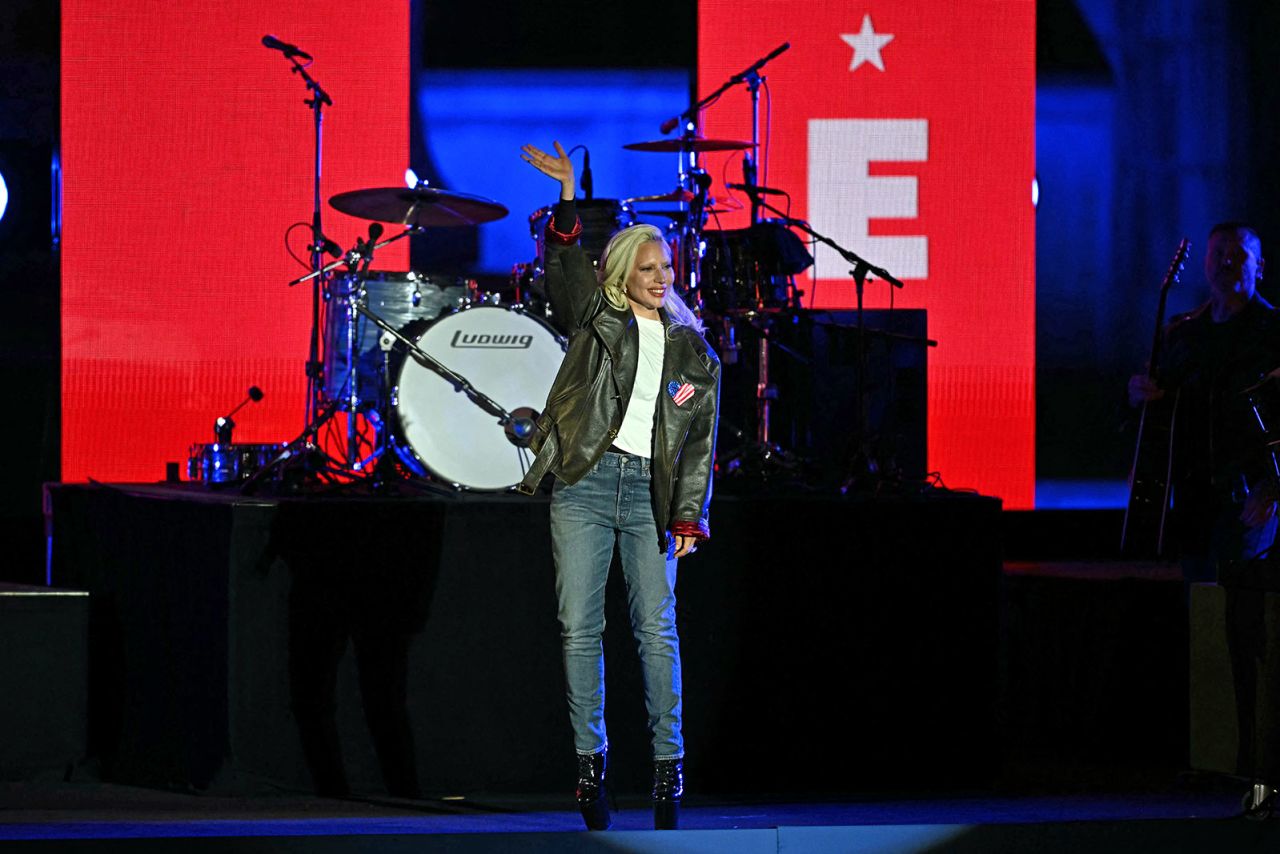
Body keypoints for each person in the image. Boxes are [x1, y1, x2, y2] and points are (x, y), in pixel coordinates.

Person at [516, 140, 720, 831]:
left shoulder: (695, 351)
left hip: (650, 502)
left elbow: (696, 449)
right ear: (622, 273)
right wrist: (570, 196)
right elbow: (565, 268)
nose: (661, 276)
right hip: (585, 485)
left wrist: (690, 516)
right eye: (648, 266)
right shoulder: (596, 322)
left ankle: (668, 772)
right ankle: (590, 770)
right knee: (580, 628)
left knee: (656, 633)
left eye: (666, 266)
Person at [1128, 221, 1280, 816]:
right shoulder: (1184, 332)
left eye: (1237, 255)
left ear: (1258, 266)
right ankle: (1216, 755)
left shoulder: (1272, 333)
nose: (1224, 263)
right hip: (1195, 501)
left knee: (1246, 626)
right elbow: (1152, 406)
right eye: (1217, 255)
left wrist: (1274, 487)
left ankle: (1255, 764)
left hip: (1252, 498)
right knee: (1206, 624)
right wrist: (1138, 395)